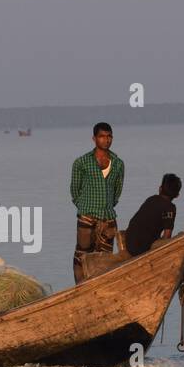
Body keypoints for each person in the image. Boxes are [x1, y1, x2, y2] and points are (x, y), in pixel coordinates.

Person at [69, 121, 125, 283]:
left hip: (108, 219)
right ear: (94, 139)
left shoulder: (118, 164)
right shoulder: (82, 163)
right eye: (102, 136)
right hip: (87, 216)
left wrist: (107, 206)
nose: (106, 140)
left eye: (109, 137)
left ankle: (99, 289)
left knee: (105, 260)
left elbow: (117, 191)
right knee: (82, 255)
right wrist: (84, 207)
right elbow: (75, 190)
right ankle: (80, 288)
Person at [124, 173, 180, 256]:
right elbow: (167, 236)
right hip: (141, 248)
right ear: (177, 195)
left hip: (129, 242)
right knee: (173, 242)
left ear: (160, 189)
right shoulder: (170, 208)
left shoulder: (151, 199)